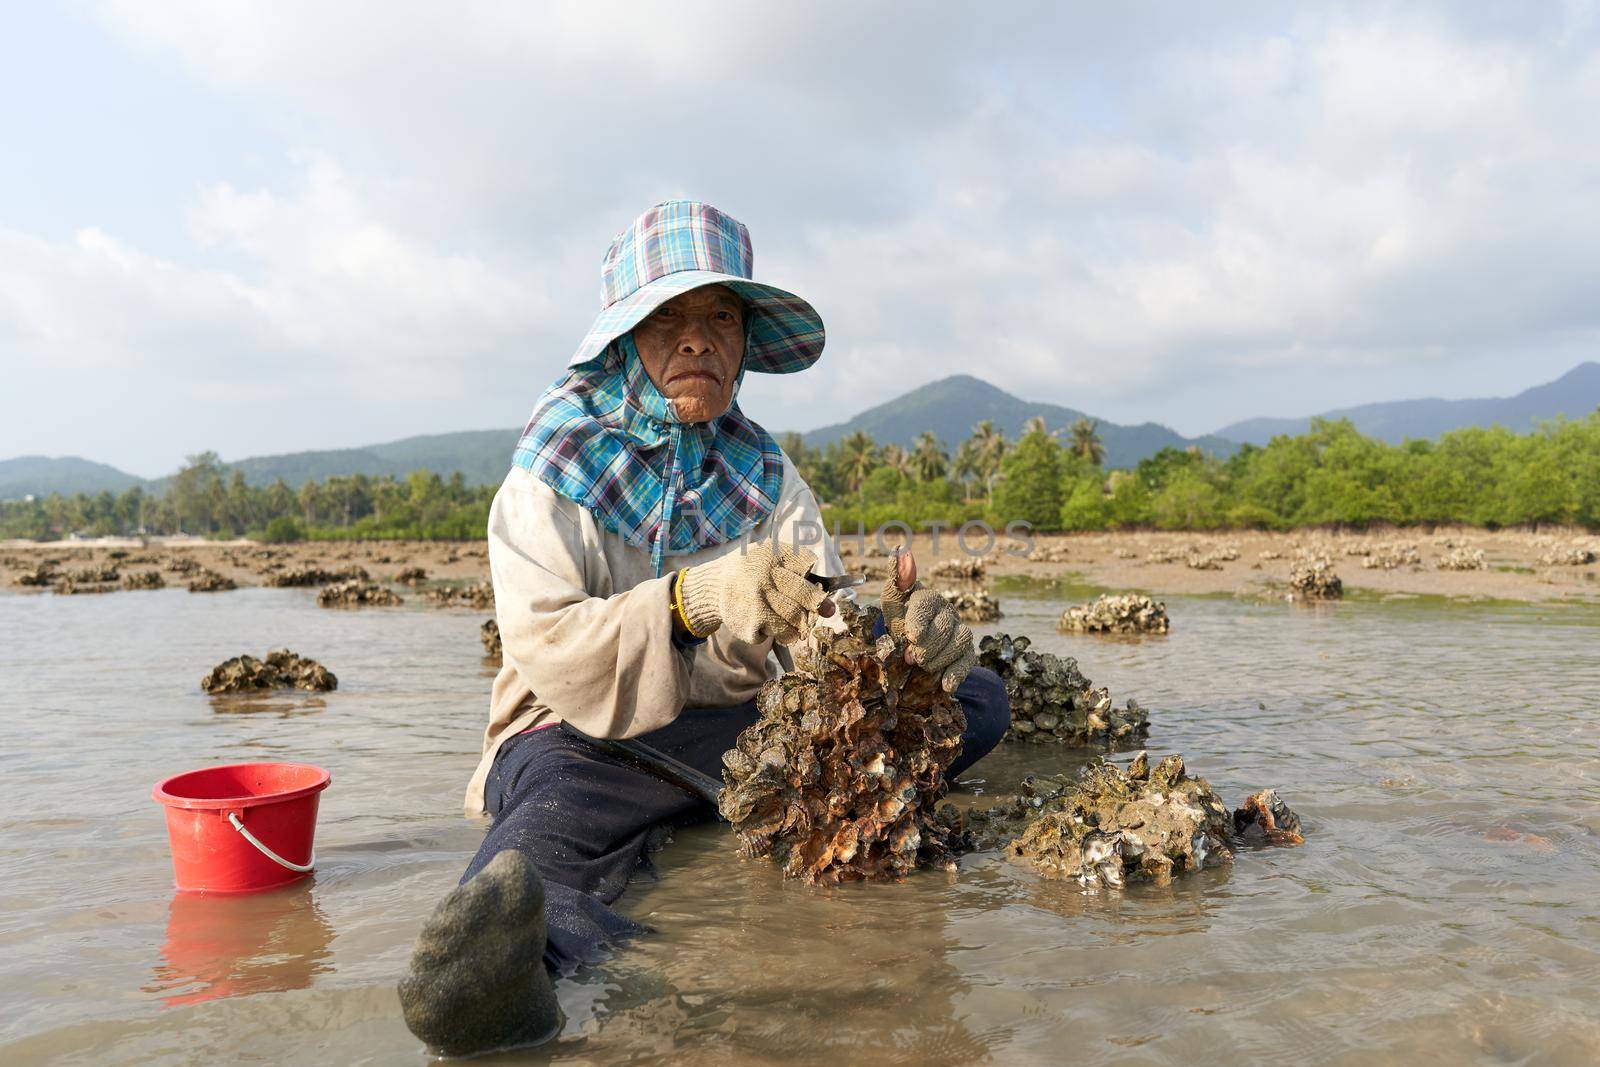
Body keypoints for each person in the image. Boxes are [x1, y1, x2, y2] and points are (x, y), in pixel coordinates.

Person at [398, 200, 1011, 1056]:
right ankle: (510, 1000)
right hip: (582, 743)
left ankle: (729, 803)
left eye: (722, 317)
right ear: (621, 341)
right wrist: (694, 599)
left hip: (739, 735)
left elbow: (825, 633)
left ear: (746, 343)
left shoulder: (766, 473)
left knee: (976, 695)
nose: (699, 339)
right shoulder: (549, 475)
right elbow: (555, 655)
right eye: (669, 318)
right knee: (532, 862)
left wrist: (908, 653)